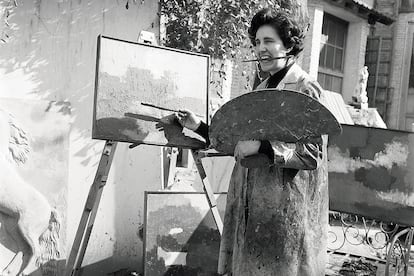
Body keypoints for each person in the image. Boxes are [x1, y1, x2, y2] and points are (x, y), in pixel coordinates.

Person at [176, 7, 328, 276]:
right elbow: (238, 142)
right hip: (252, 206)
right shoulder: (261, 88)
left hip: (286, 211)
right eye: (257, 42)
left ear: (289, 45)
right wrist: (198, 126)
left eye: (269, 41)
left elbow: (313, 154)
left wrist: (263, 148)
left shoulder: (305, 88)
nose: (260, 49)